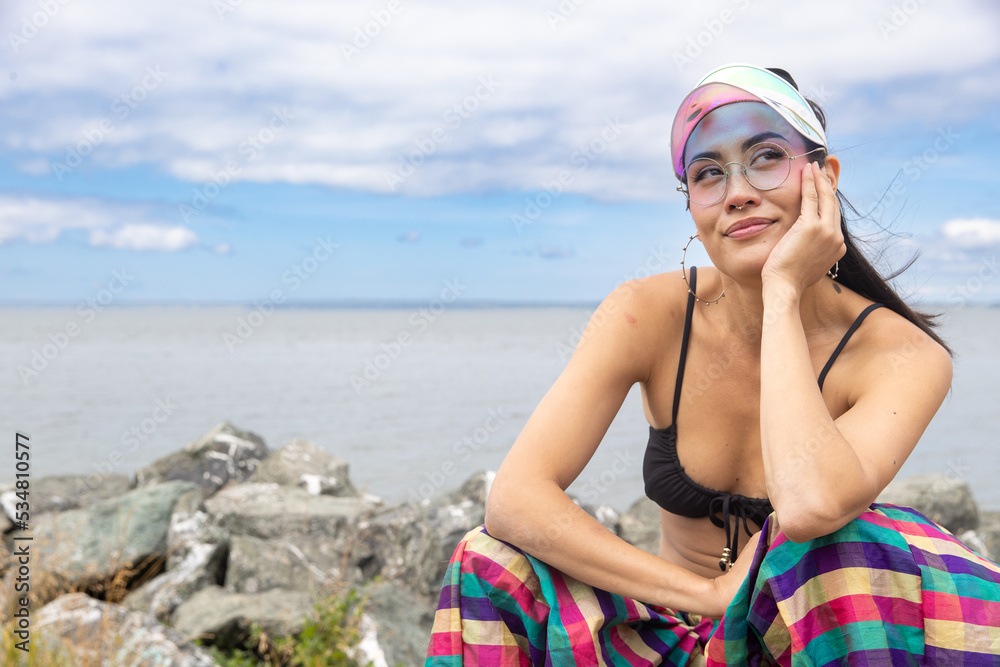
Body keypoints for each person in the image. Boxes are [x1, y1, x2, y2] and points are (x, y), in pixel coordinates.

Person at [425, 64, 1000, 665]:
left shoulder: (902, 354)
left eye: (767, 158)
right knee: (489, 557)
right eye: (708, 173)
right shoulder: (647, 312)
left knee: (850, 546)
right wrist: (704, 595)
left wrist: (781, 292)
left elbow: (808, 506)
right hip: (670, 637)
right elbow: (515, 499)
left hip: (802, 644)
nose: (738, 192)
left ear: (823, 178)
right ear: (692, 208)